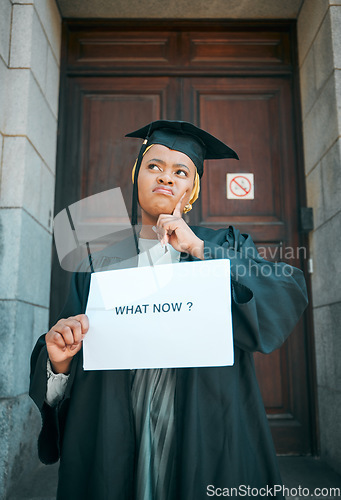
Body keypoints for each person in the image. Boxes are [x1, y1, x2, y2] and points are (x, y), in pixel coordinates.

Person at [29, 121, 308, 500]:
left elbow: (286, 291)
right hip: (116, 421)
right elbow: (72, 347)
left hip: (202, 419)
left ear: (191, 189)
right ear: (136, 175)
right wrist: (59, 362)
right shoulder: (101, 255)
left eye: (181, 172)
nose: (166, 178)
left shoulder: (222, 243)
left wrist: (201, 250)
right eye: (154, 166)